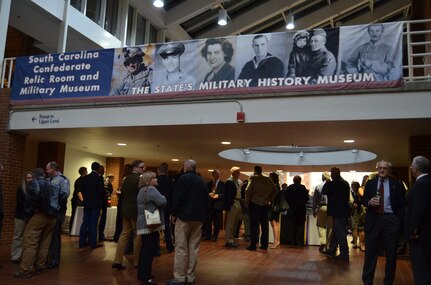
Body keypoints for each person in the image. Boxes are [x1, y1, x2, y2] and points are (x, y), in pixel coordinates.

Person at [362, 160, 406, 285]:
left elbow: (403, 204)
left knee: (391, 253)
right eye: (380, 168)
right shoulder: (370, 183)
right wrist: (369, 202)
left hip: (391, 220)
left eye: (385, 168)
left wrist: (397, 220)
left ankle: (388, 281)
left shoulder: (397, 184)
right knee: (370, 252)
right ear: (377, 169)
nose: (382, 170)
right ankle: (367, 280)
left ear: (389, 170)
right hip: (374, 220)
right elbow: (364, 199)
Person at [166, 159, 208, 285]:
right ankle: (190, 276)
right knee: (194, 248)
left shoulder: (183, 179)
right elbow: (207, 202)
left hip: (184, 218)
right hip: (198, 219)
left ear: (186, 167)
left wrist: (173, 214)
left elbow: (177, 198)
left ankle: (179, 277)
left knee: (181, 248)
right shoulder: (202, 181)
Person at [14, 168, 56, 278]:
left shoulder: (34, 183)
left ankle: (26, 270)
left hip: (38, 216)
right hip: (51, 217)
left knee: (30, 243)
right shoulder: (50, 183)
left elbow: (32, 200)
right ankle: (40, 266)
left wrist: (29, 213)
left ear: (35, 176)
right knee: (45, 244)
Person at [112, 160, 145, 270]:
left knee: (124, 235)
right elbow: (141, 196)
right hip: (136, 212)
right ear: (135, 168)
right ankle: (137, 262)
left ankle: (117, 260)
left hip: (125, 210)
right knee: (138, 236)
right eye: (141, 167)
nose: (143, 169)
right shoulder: (139, 179)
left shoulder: (125, 179)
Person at [136, 171, 167, 285]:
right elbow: (162, 202)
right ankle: (145, 275)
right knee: (149, 250)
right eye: (155, 178)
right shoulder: (151, 190)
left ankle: (142, 273)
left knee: (145, 249)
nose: (157, 180)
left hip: (143, 222)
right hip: (150, 223)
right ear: (149, 180)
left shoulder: (141, 190)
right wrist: (163, 196)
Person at [405, 156, 431, 284]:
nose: (411, 168)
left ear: (415, 169)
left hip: (421, 236)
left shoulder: (420, 185)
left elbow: (417, 210)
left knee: (421, 271)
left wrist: (413, 230)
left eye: (411, 166)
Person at [245, 165, 278, 251]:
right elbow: (276, 191)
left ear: (255, 171)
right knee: (264, 225)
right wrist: (270, 199)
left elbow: (248, 191)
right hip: (265, 205)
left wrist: (247, 202)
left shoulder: (253, 179)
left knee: (254, 225)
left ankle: (253, 245)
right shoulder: (268, 179)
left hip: (255, 204)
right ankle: (264, 245)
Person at [321, 167, 351, 261]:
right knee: (336, 230)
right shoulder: (345, 183)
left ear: (334, 173)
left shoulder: (332, 183)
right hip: (343, 211)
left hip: (337, 211)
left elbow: (324, 191)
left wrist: (327, 182)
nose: (331, 174)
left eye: (332, 173)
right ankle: (332, 249)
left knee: (340, 232)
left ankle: (344, 253)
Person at [46, 161, 70, 269]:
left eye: (48, 169)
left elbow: (64, 195)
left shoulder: (62, 180)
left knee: (55, 235)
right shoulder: (48, 180)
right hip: (48, 211)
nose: (46, 171)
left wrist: (57, 207)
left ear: (53, 169)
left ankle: (54, 260)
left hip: (58, 211)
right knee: (48, 235)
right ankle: (46, 258)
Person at [78, 162, 105, 249]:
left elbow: (81, 189)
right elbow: (101, 190)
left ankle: (82, 241)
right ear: (98, 168)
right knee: (93, 223)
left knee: (85, 222)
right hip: (96, 203)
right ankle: (92, 243)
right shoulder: (98, 178)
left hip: (87, 202)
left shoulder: (86, 177)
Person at [11, 171, 34, 263]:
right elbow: (20, 203)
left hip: (31, 216)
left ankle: (24, 256)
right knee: (18, 236)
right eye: (28, 178)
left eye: (31, 178)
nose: (30, 179)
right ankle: (15, 256)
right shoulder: (20, 189)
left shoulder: (35, 190)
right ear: (25, 180)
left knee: (28, 237)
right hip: (20, 216)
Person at [285, 175, 309, 247]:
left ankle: (293, 241)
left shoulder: (290, 187)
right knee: (300, 226)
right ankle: (300, 242)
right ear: (300, 181)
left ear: (293, 180)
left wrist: (290, 204)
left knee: (292, 225)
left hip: (292, 209)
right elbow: (306, 198)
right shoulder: (302, 187)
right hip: (301, 210)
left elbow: (286, 197)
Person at [156, 163, 175, 253]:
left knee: (155, 228)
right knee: (166, 227)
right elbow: (173, 196)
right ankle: (170, 246)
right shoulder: (171, 181)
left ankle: (156, 248)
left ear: (158, 171)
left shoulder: (155, 181)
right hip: (167, 207)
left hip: (156, 207)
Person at [204, 169, 225, 241]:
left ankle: (215, 236)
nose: (217, 175)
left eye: (218, 174)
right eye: (215, 174)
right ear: (212, 175)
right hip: (210, 205)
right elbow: (205, 193)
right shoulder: (208, 184)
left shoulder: (223, 184)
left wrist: (218, 196)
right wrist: (208, 194)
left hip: (218, 206)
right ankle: (208, 235)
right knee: (208, 221)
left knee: (217, 222)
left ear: (219, 175)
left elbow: (225, 195)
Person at [113, 164, 133, 242]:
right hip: (124, 203)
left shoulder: (126, 178)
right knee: (121, 221)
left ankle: (119, 237)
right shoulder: (126, 178)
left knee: (122, 221)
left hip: (124, 203)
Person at [312, 171, 331, 253]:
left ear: (322, 177)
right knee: (330, 227)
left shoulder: (318, 186)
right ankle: (328, 245)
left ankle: (323, 242)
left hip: (322, 207)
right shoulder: (332, 186)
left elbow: (315, 200)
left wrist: (314, 210)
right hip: (331, 207)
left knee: (321, 226)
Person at [224, 166, 242, 248]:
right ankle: (228, 240)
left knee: (235, 223)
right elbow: (227, 195)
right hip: (233, 203)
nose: (239, 173)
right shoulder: (229, 181)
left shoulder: (238, 181)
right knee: (230, 222)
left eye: (239, 172)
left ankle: (232, 239)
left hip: (238, 202)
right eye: (237, 172)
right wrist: (229, 205)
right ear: (233, 173)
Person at [70, 166, 87, 235]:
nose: (87, 172)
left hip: (78, 200)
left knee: (77, 216)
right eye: (86, 171)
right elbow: (78, 192)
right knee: (74, 215)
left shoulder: (82, 180)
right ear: (84, 172)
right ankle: (72, 231)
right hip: (76, 201)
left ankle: (76, 231)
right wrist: (83, 201)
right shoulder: (79, 181)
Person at [350, 181, 365, 251]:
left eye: (353, 186)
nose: (353, 188)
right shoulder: (354, 193)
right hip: (358, 211)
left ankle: (358, 243)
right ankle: (359, 243)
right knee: (357, 228)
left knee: (357, 227)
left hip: (358, 211)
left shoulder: (357, 192)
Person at [268, 172, 281, 249]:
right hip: (276, 207)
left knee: (274, 224)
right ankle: (276, 240)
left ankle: (275, 241)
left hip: (273, 207)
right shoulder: (278, 186)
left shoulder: (274, 186)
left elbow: (273, 197)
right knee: (275, 224)